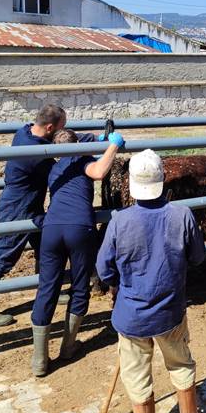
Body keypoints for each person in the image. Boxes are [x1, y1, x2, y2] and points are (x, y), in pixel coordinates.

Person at [96, 149, 206, 413]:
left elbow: (104, 268)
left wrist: (117, 285)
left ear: (133, 184)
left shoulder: (120, 221)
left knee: (136, 375)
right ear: (163, 180)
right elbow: (198, 256)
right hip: (170, 311)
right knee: (181, 364)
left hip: (131, 316)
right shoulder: (182, 215)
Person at [31, 128, 125, 377]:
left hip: (51, 230)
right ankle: (68, 346)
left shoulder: (54, 168)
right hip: (79, 229)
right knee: (80, 286)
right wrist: (112, 146)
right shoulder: (84, 160)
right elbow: (99, 171)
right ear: (78, 145)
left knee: (47, 288)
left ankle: (39, 359)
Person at [0, 104, 67, 327]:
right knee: (5, 253)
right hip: (18, 208)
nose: (62, 132)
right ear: (50, 127)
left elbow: (53, 142)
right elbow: (58, 170)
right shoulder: (33, 153)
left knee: (46, 245)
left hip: (30, 205)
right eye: (61, 128)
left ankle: (47, 290)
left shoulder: (25, 132)